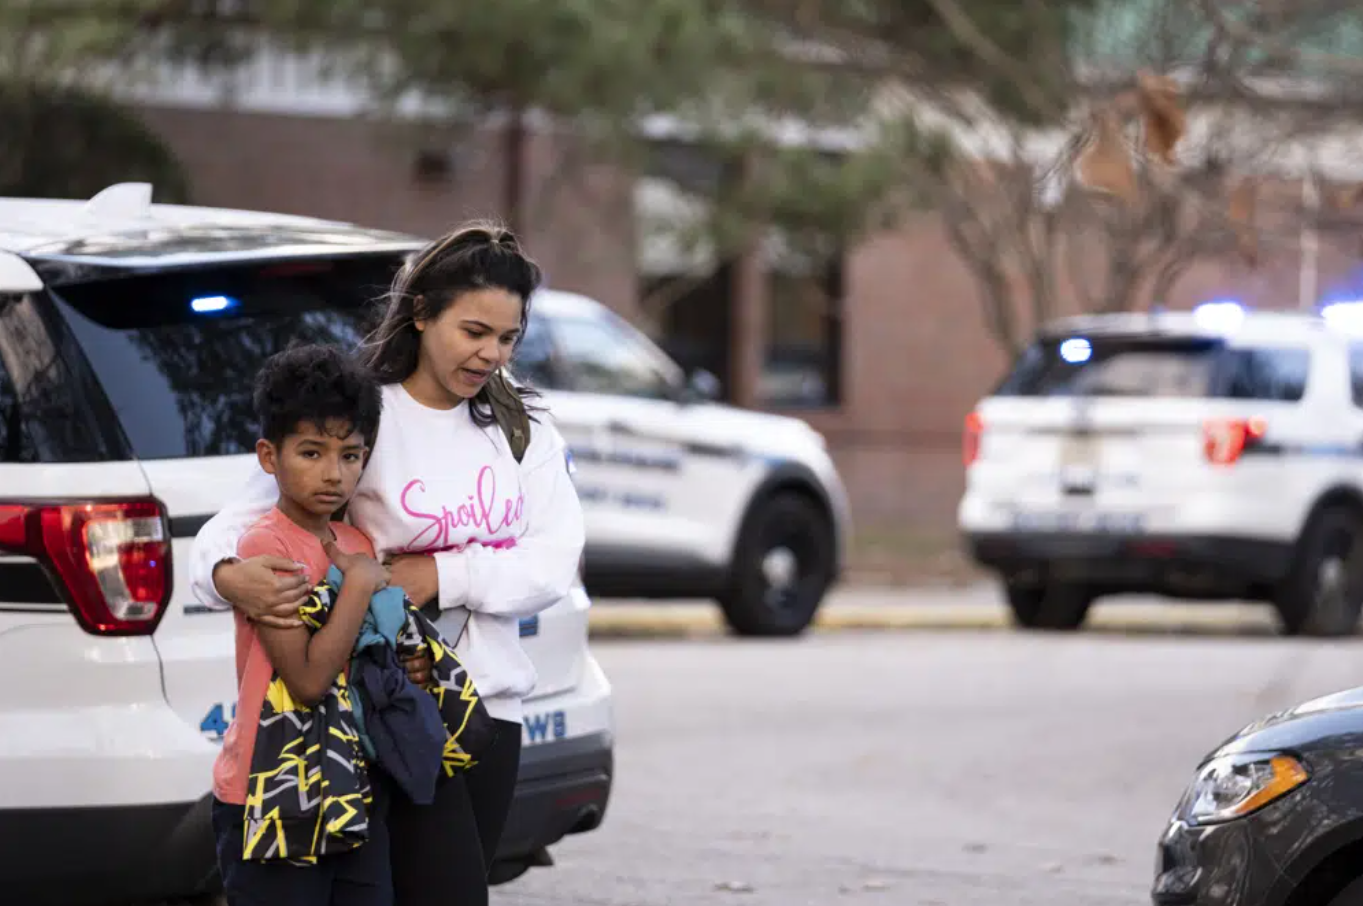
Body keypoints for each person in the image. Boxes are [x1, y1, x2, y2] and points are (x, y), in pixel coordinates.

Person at [191, 223, 586, 906]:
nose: (491, 353)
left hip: (488, 708)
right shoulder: (367, 416)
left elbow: (553, 561)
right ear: (422, 312)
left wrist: (438, 575)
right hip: (391, 707)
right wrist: (227, 576)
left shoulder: (523, 428)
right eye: (473, 332)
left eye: (507, 337)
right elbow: (238, 525)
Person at [212, 343, 393, 906]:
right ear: (269, 456)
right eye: (311, 453)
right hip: (272, 791)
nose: (333, 474)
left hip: (349, 788)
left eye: (350, 455)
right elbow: (309, 681)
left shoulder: (357, 542)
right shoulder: (266, 544)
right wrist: (360, 586)